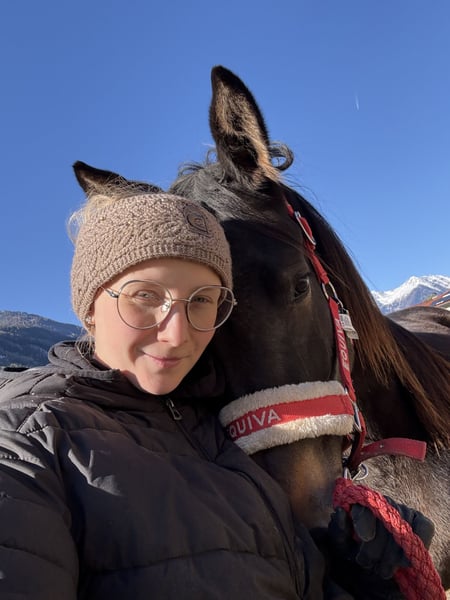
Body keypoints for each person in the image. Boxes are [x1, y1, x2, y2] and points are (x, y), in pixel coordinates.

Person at [0, 171, 435, 599]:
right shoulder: (27, 441)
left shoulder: (219, 427)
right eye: (145, 296)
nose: (176, 334)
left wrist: (359, 580)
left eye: (203, 300)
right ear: (90, 306)